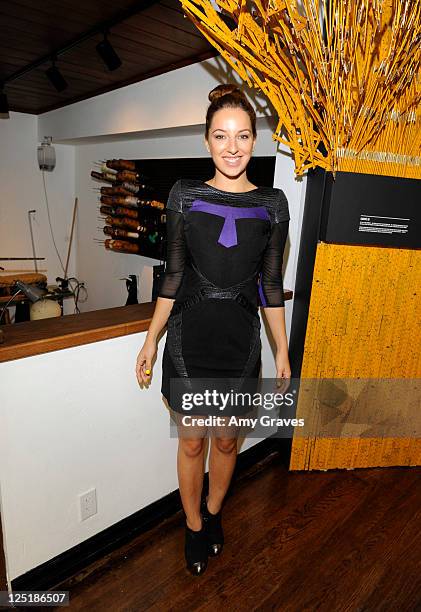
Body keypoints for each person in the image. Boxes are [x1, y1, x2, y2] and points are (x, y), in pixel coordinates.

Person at [135, 83, 291, 576]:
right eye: (221, 136)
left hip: (240, 344)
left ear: (254, 142)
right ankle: (193, 525)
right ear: (206, 140)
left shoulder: (273, 204)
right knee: (192, 442)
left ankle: (215, 513)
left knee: (226, 441)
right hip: (187, 341)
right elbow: (173, 276)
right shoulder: (184, 196)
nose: (232, 146)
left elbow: (270, 283)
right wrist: (150, 338)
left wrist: (282, 351)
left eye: (243, 136)